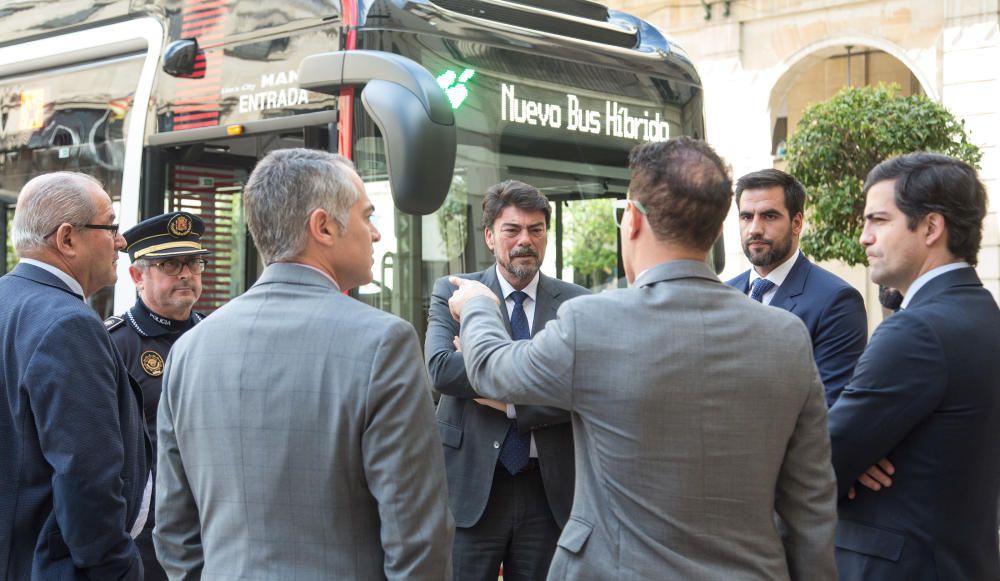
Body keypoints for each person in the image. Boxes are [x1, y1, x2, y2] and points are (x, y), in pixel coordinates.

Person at [448, 137, 837, 579]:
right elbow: (811, 510)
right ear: (719, 226)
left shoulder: (591, 322)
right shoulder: (786, 336)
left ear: (631, 220)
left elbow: (490, 368)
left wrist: (479, 305)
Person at [154, 148, 453, 579]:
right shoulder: (384, 343)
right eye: (367, 216)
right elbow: (418, 540)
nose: (375, 234)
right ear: (323, 226)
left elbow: (174, 531)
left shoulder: (190, 349)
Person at [828, 152, 1000, 580]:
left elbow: (820, 464)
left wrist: (848, 458)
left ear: (930, 227)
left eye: (879, 220)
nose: (864, 237)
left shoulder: (917, 331)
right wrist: (855, 454)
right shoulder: (983, 312)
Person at [426, 180, 588, 580]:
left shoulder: (578, 304)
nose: (525, 241)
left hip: (548, 489)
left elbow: (579, 388)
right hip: (472, 484)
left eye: (536, 230)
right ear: (489, 236)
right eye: (512, 230)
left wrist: (504, 393)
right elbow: (443, 368)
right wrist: (541, 376)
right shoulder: (454, 291)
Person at [0, 172, 150, 579]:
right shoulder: (69, 324)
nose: (122, 242)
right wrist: (119, 569)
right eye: (111, 226)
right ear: (67, 239)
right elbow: (87, 481)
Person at [105, 211, 211, 581]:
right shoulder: (115, 345)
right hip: (144, 535)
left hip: (212, 525)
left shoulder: (216, 338)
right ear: (137, 275)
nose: (186, 274)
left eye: (193, 262)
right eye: (169, 264)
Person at [726, 169, 867, 406]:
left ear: (797, 223)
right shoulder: (725, 294)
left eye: (769, 216)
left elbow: (828, 411)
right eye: (747, 217)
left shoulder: (837, 302)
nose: (755, 229)